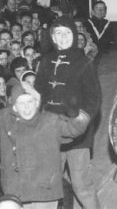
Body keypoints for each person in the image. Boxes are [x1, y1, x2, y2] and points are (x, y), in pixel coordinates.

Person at [34, 17, 101, 209]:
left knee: (82, 184)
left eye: (67, 33)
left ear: (74, 35)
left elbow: (94, 97)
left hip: (77, 131)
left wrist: (82, 119)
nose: (63, 38)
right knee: (50, 184)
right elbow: (39, 93)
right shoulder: (46, 60)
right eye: (58, 33)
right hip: (50, 130)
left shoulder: (83, 61)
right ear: (52, 37)